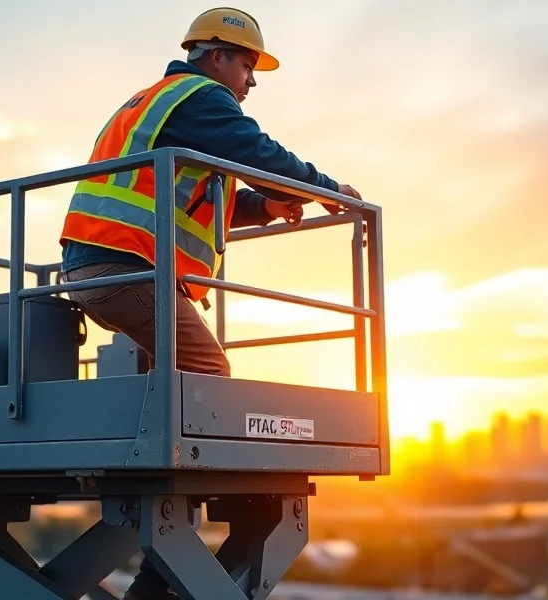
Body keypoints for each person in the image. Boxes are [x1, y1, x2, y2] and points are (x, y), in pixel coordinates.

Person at [56, 8, 361, 598]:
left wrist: (263, 207)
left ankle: (161, 552)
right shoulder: (200, 98)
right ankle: (161, 575)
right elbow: (259, 153)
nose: (251, 82)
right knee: (208, 382)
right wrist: (325, 189)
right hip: (126, 268)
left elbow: (198, 199)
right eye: (248, 65)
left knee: (173, 406)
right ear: (217, 55)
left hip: (110, 265)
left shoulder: (163, 105)